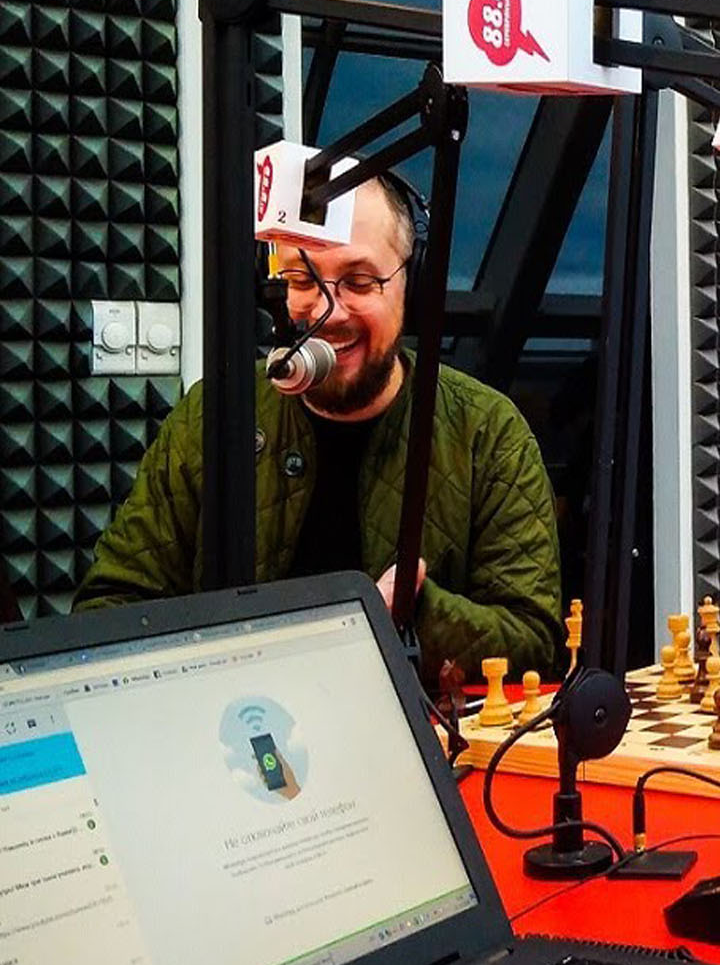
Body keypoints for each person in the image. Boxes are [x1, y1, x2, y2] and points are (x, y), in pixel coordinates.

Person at [75, 174, 562, 676]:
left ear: (410, 286)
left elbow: (536, 643)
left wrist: (416, 613)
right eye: (302, 281)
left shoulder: (487, 433)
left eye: (359, 282)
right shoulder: (215, 415)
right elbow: (109, 605)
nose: (328, 313)